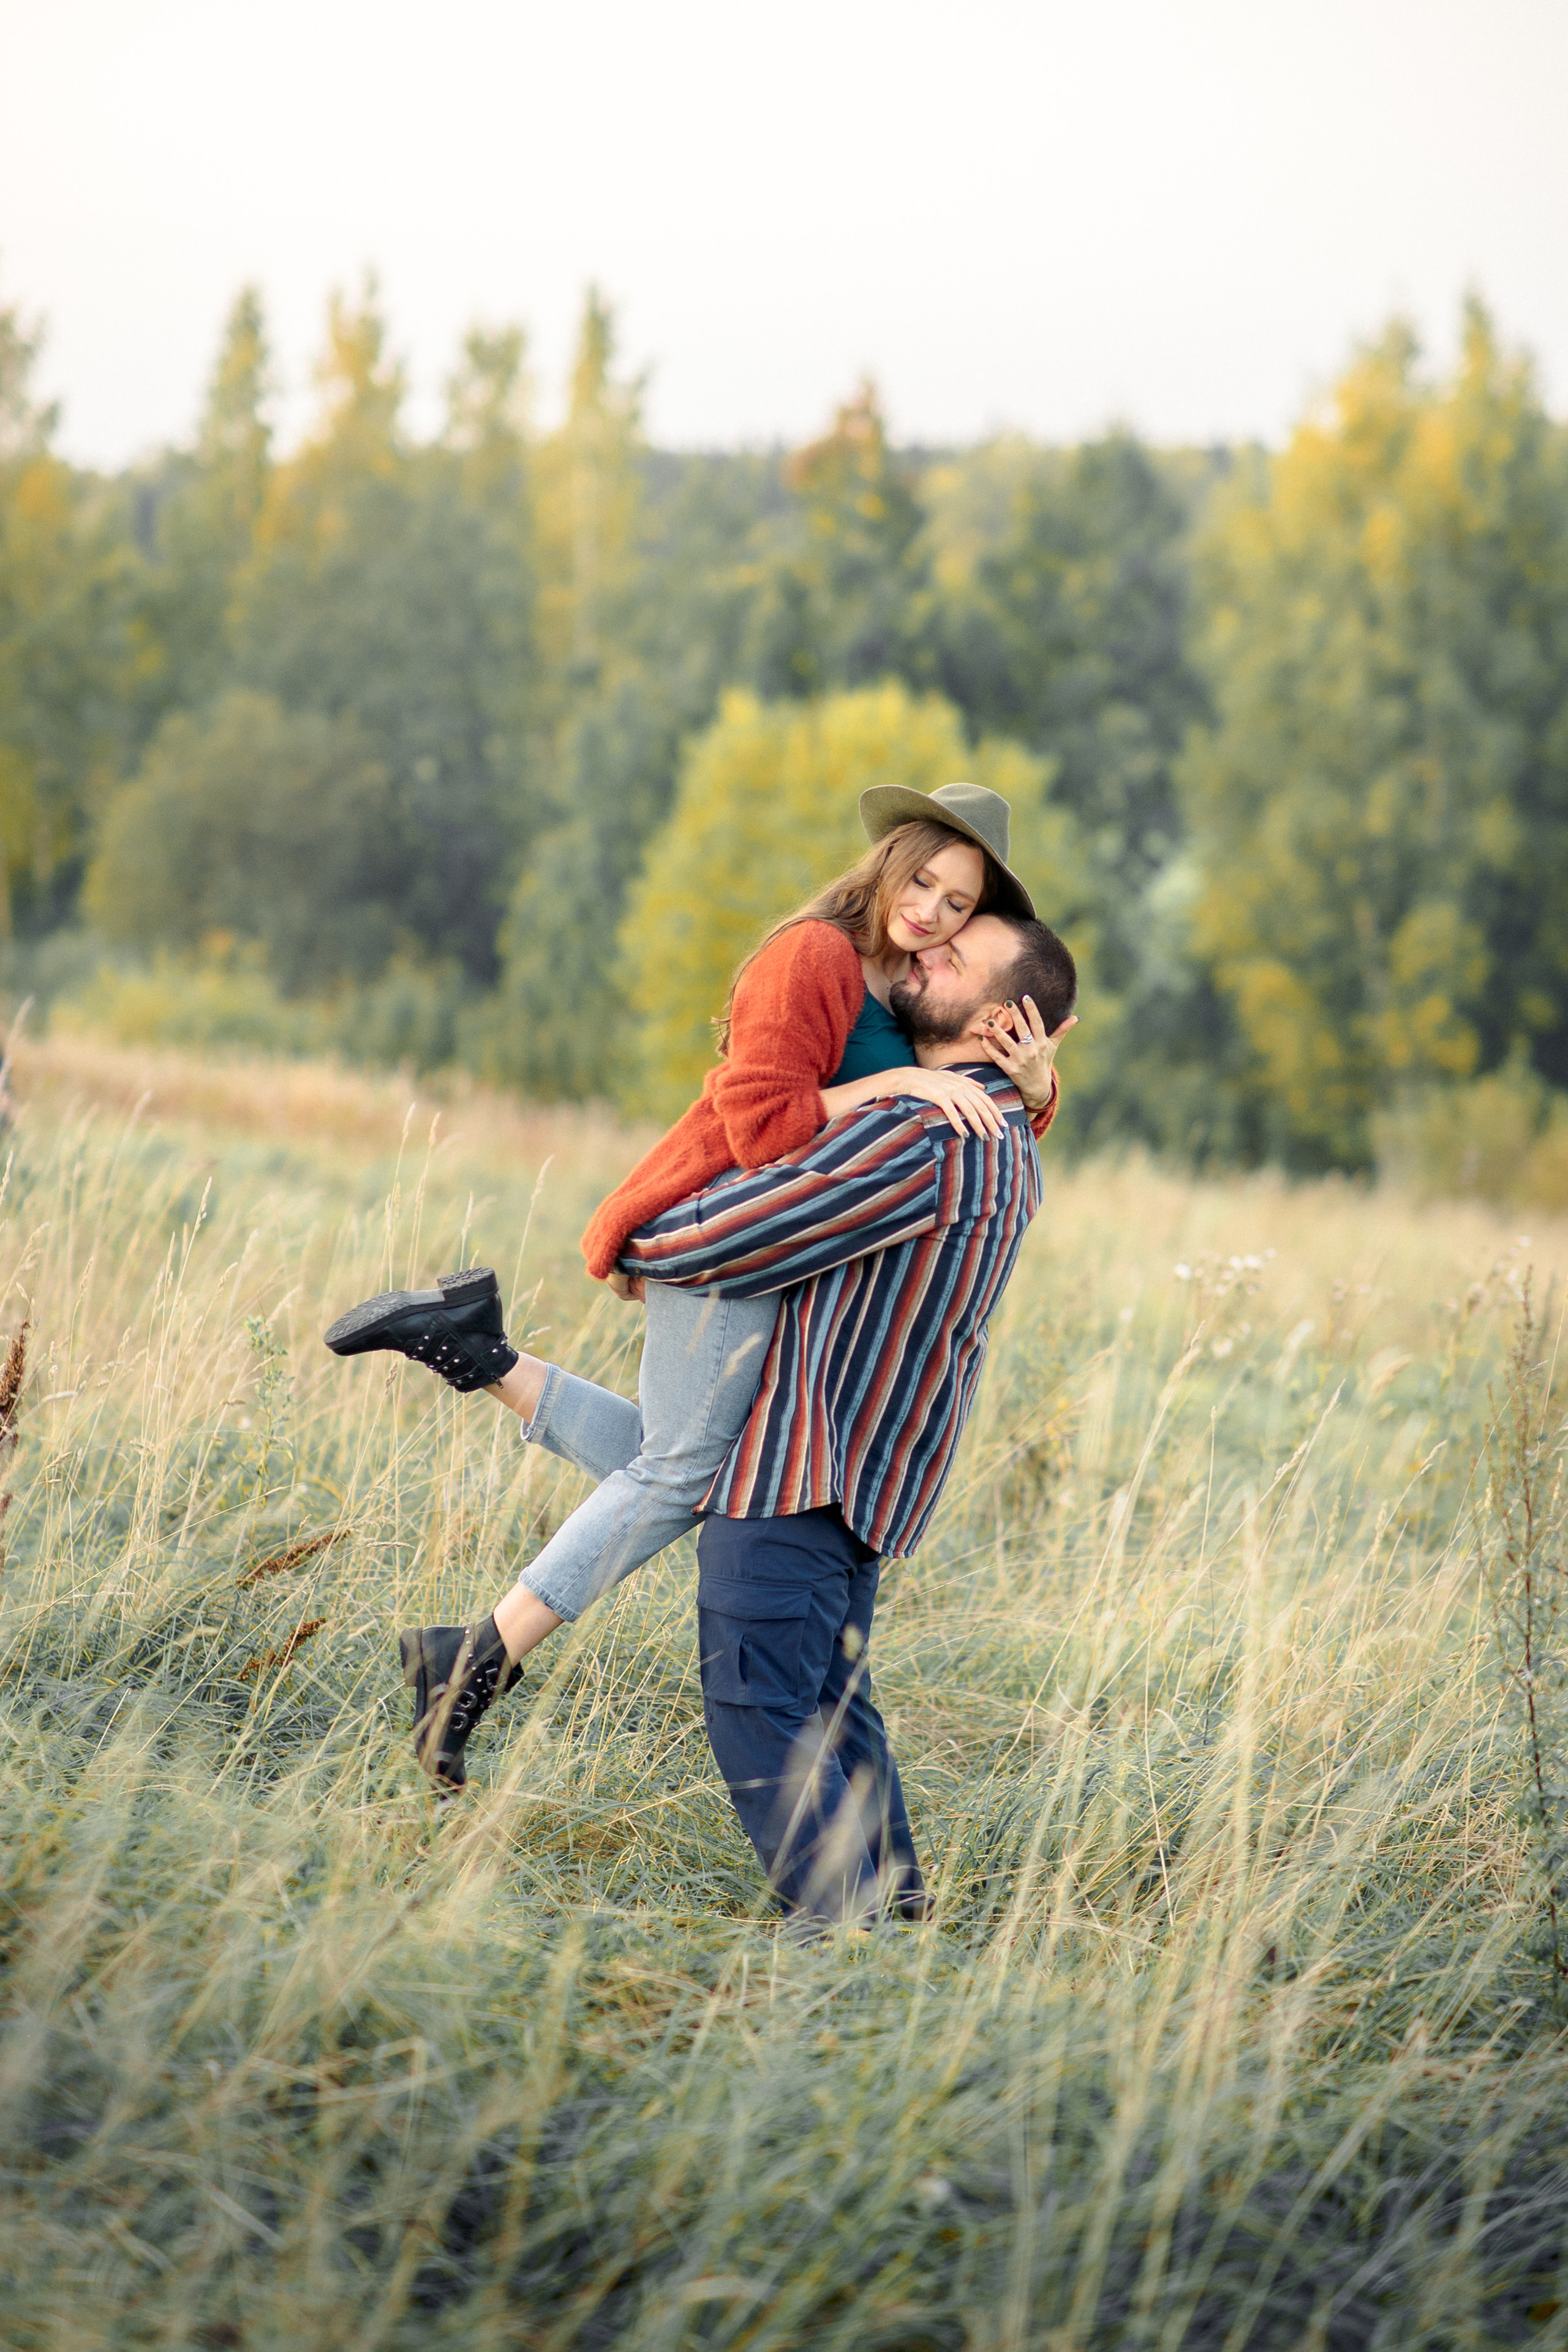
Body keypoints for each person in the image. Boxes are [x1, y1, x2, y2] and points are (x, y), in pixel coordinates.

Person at [323, 783, 1074, 1787]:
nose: (932, 911)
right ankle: (472, 1662)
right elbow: (765, 1127)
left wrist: (1030, 1086)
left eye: (958, 903)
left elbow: (961, 1102)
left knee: (694, 1471)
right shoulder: (811, 956)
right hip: (731, 1236)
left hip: (785, 1245)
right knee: (682, 1478)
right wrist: (898, 1085)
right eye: (924, 880)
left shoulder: (907, 980)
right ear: (890, 858)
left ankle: (475, 1348)